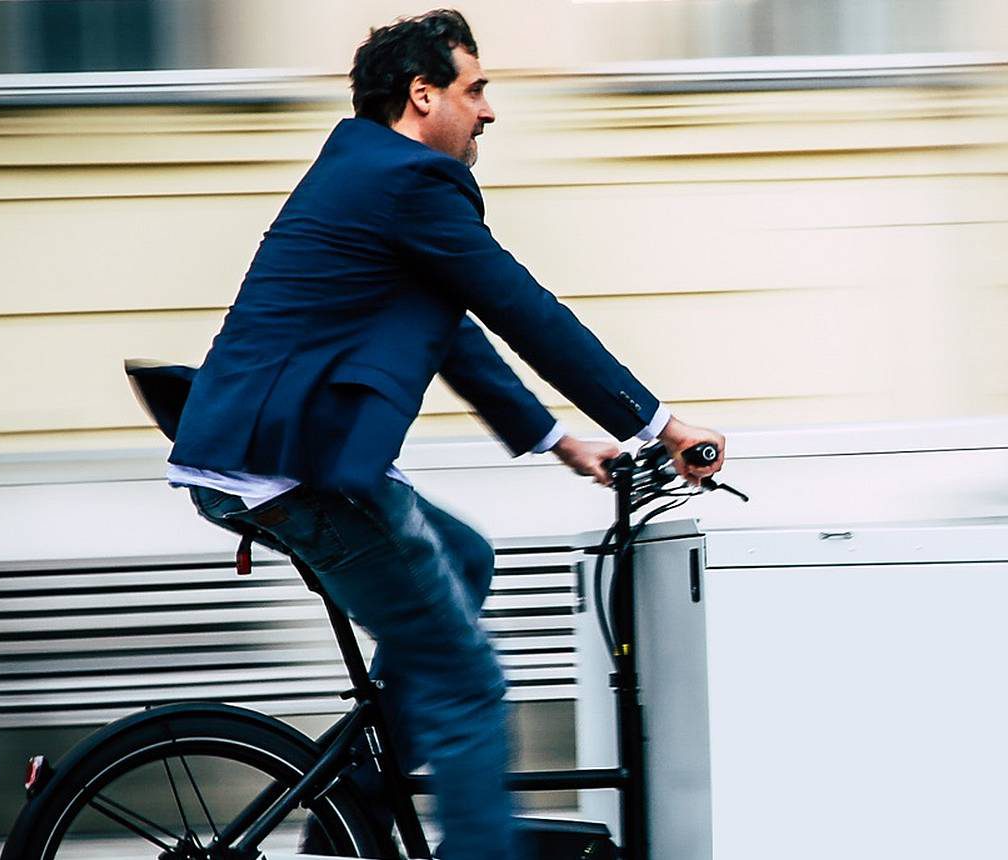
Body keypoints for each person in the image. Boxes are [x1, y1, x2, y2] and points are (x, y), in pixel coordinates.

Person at [163, 11, 724, 860]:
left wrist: (555, 440)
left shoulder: (368, 168)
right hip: (291, 468)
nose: (489, 110)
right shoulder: (410, 182)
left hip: (278, 456)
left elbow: (453, 327)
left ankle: (348, 811)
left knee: (464, 559)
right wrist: (659, 422)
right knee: (470, 688)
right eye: (476, 89)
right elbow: (522, 308)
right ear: (423, 96)